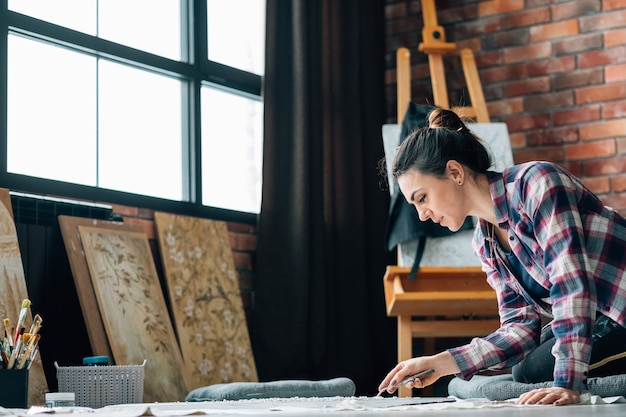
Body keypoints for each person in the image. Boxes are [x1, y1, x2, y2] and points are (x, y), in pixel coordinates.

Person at [378, 108, 626, 406]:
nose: (422, 214)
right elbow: (519, 328)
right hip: (599, 315)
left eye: (422, 198)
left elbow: (572, 286)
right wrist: (441, 363)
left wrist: (568, 384)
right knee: (526, 368)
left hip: (617, 308)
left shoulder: (537, 183)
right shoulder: (485, 243)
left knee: (540, 368)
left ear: (455, 172)